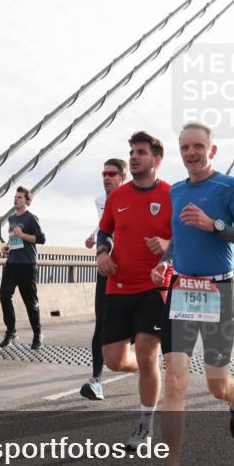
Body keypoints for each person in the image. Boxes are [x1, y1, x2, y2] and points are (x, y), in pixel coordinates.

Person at [147, 122, 234, 466]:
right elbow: (180, 237)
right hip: (181, 289)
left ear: (212, 151)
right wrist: (165, 261)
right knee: (176, 383)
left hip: (218, 291)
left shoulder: (230, 187)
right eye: (185, 147)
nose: (191, 153)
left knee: (215, 386)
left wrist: (215, 225)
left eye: (198, 146)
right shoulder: (176, 191)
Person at [96, 132, 172, 447]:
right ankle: (147, 368)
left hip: (154, 287)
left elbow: (185, 239)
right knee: (113, 360)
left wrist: (168, 249)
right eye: (131, 152)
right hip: (118, 285)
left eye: (140, 152)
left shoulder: (172, 194)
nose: (134, 157)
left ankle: (144, 422)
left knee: (145, 350)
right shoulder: (118, 197)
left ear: (156, 159)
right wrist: (102, 254)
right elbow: (104, 232)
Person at [80, 158, 127, 401]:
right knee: (101, 323)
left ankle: (147, 360)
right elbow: (105, 227)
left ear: (122, 177)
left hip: (133, 271)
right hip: (107, 268)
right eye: (103, 173)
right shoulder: (101, 201)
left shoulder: (134, 197)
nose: (106, 177)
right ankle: (96, 379)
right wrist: (94, 238)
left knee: (137, 333)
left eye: (111, 173)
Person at [0, 187, 45, 349]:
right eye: (15, 197)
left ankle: (37, 335)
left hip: (27, 265)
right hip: (12, 264)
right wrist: (7, 247)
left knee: (30, 303)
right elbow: (14, 240)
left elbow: (41, 239)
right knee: (4, 296)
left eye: (19, 197)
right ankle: (11, 331)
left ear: (27, 201)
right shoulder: (11, 219)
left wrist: (22, 235)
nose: (16, 199)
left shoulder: (31, 218)